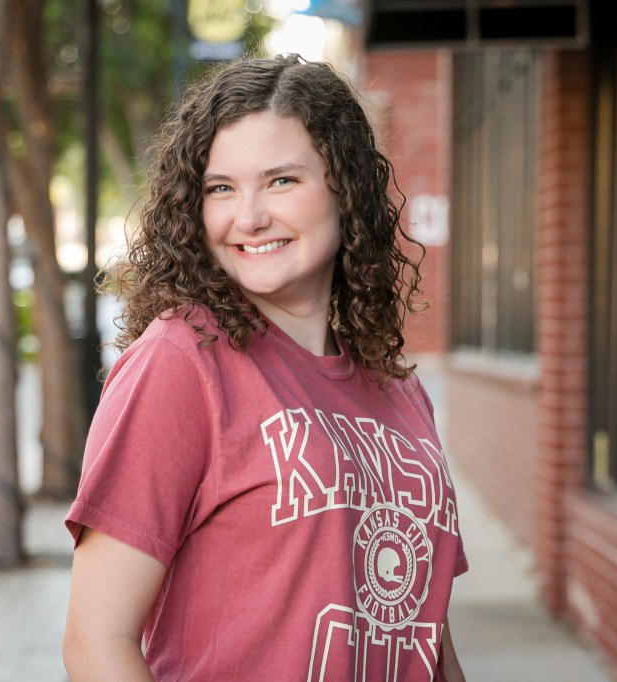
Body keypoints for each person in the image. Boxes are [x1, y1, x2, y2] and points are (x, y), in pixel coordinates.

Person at [63, 53, 468, 681]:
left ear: (347, 188)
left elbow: (424, 637)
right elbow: (96, 644)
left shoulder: (399, 391)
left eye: (281, 181)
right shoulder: (182, 360)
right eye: (220, 188)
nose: (247, 217)